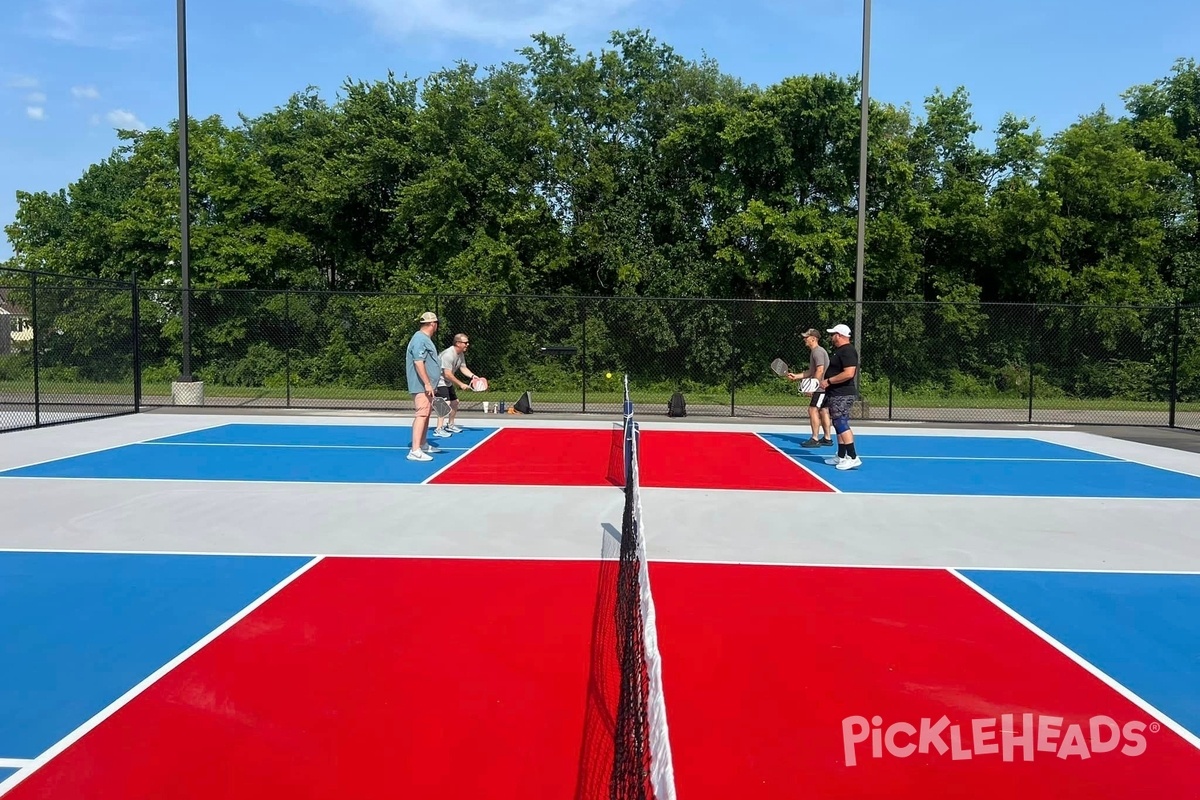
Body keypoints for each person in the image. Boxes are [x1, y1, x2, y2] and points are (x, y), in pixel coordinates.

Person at [820, 323, 861, 470]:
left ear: (839, 335)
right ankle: (841, 455)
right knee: (838, 423)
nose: (832, 337)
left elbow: (849, 373)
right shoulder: (841, 351)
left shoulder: (848, 351)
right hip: (835, 393)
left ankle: (853, 457)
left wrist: (829, 381)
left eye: (833, 334)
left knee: (841, 422)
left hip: (842, 393)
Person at [405, 311, 443, 461]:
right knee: (422, 413)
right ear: (433, 324)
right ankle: (415, 450)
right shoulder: (419, 339)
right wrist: (427, 383)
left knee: (426, 413)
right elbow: (418, 361)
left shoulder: (423, 339)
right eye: (436, 324)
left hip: (427, 386)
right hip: (421, 385)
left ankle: (423, 443)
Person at [787, 328, 832, 448]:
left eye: (806, 337)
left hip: (821, 388)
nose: (804, 339)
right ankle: (827, 438)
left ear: (813, 339)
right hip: (824, 387)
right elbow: (811, 371)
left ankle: (815, 438)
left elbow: (820, 370)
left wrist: (812, 387)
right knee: (823, 410)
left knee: (812, 410)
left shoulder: (817, 352)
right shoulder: (816, 352)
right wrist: (796, 376)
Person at [432, 333, 482, 438]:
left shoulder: (460, 354)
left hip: (447, 381)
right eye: (465, 342)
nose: (467, 344)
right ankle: (438, 429)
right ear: (458, 343)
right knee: (445, 403)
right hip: (438, 381)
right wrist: (461, 384)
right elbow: (447, 374)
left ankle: (450, 425)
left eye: (467, 342)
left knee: (455, 402)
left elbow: (463, 368)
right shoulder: (448, 355)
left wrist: (474, 377)